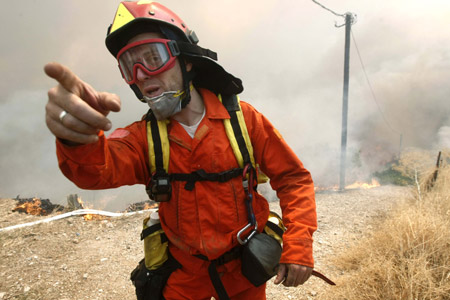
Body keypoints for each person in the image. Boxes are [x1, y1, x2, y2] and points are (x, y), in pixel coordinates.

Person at [44, 1, 317, 299]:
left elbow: (293, 179)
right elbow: (96, 172)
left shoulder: (243, 121)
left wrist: (299, 245)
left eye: (152, 57)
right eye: (129, 65)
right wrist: (78, 141)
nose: (142, 74)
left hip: (243, 272)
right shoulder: (143, 137)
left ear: (185, 59)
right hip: (184, 276)